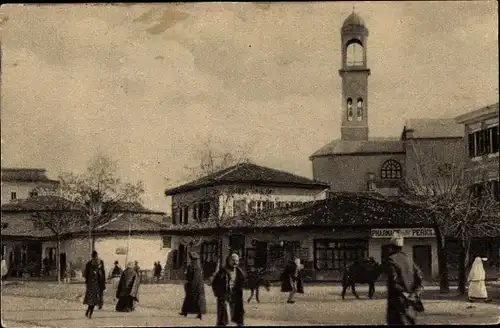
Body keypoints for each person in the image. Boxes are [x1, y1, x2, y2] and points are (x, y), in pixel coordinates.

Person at [386, 233, 424, 326]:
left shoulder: (391, 260)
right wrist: (415, 294)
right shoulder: (409, 259)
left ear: (391, 247)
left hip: (397, 303)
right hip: (411, 303)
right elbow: (420, 277)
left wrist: (404, 294)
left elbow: (394, 282)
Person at [211, 253, 246, 326]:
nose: (235, 262)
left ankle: (239, 322)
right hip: (224, 293)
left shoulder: (239, 271)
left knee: (238, 308)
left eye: (237, 261)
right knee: (223, 309)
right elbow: (214, 283)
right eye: (233, 260)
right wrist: (217, 292)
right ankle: (222, 323)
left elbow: (243, 281)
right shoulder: (222, 271)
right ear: (228, 260)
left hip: (235, 292)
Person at [179, 252, 207, 320]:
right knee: (190, 298)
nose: (191, 260)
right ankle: (185, 312)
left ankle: (199, 313)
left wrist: (192, 286)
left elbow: (195, 278)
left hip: (195, 285)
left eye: (192, 259)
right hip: (195, 285)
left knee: (196, 299)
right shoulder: (194, 266)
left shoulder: (195, 267)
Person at [83, 251, 106, 319]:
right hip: (97, 284)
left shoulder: (89, 263)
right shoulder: (100, 262)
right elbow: (103, 274)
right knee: (94, 299)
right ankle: (89, 313)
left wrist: (87, 282)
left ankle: (88, 312)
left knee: (91, 300)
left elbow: (86, 274)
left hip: (91, 284)